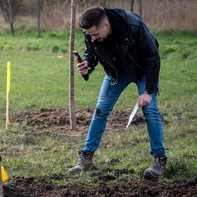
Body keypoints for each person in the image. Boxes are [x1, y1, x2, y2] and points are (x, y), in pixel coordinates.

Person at [68, 6, 167, 179]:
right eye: (89, 35)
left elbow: (153, 57)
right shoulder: (90, 30)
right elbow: (91, 54)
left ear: (106, 25)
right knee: (100, 110)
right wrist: (88, 67)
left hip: (143, 70)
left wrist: (149, 91)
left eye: (95, 35)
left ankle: (159, 160)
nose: (91, 39)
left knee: (150, 111)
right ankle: (86, 159)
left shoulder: (133, 24)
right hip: (116, 73)